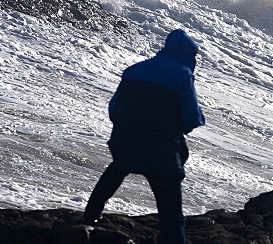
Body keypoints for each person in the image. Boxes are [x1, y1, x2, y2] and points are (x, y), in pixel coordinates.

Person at [84, 29, 206, 244]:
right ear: (187, 53)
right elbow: (192, 119)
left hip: (124, 142)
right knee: (172, 216)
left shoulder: (133, 70)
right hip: (161, 151)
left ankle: (90, 216)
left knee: (119, 167)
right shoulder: (182, 74)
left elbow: (114, 110)